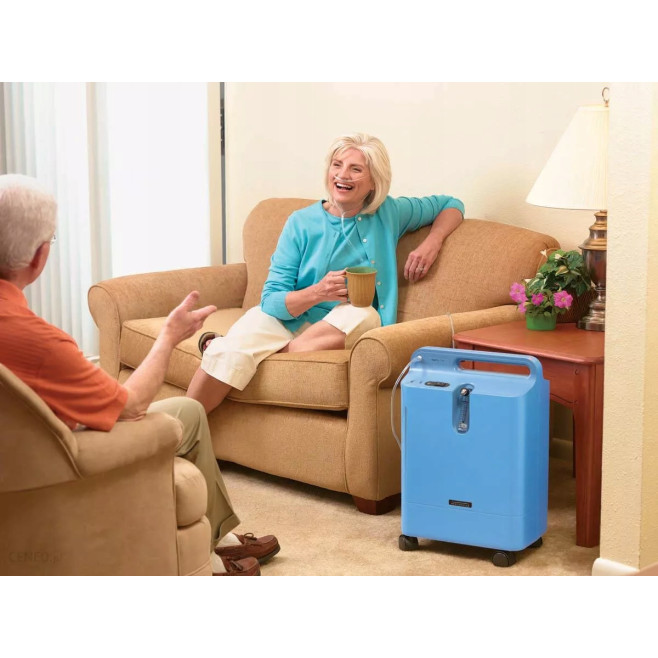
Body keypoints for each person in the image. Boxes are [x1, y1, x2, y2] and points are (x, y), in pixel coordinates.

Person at [0, 174, 279, 576]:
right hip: (55, 459)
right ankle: (210, 559)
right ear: (39, 256)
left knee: (187, 407)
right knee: (180, 417)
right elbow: (130, 407)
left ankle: (220, 539)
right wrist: (168, 337)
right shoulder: (40, 341)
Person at [187, 133, 464, 413]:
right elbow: (271, 301)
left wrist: (432, 243)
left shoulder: (389, 212)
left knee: (365, 313)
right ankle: (179, 429)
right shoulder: (301, 223)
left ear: (374, 181)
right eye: (337, 165)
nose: (342, 175)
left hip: (345, 323)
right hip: (288, 318)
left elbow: (451, 205)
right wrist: (319, 292)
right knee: (224, 352)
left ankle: (259, 353)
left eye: (356, 169)